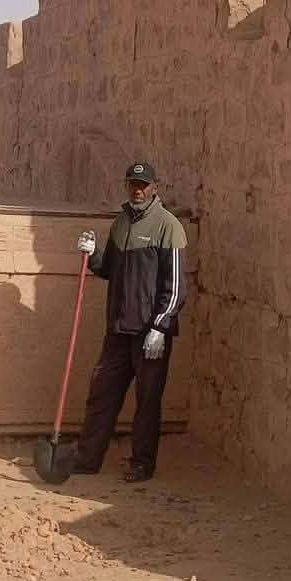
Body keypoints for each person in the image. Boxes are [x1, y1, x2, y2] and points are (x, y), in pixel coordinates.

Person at [71, 160, 186, 483]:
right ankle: (87, 458)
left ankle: (141, 464)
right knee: (101, 394)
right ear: (127, 186)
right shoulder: (120, 224)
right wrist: (92, 255)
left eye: (144, 185)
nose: (138, 190)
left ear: (154, 188)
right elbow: (109, 269)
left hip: (150, 335)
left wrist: (160, 327)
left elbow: (176, 287)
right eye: (133, 185)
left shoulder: (169, 226)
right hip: (119, 330)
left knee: (147, 402)